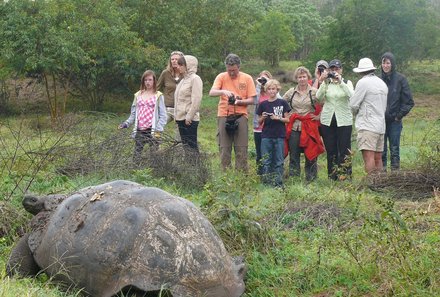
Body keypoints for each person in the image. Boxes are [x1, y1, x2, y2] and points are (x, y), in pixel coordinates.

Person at [209, 53, 257, 171]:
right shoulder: (221, 77)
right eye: (229, 70)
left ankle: (241, 175)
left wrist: (239, 101)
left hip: (241, 115)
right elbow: (211, 92)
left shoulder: (247, 78)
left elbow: (253, 99)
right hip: (224, 115)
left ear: (239, 67)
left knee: (241, 148)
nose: (231, 73)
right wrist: (223, 92)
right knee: (224, 148)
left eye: (234, 70)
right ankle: (225, 174)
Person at [284, 66, 324, 181]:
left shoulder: (314, 92)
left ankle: (311, 180)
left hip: (309, 127)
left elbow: (326, 103)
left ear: (308, 77)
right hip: (294, 127)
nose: (302, 79)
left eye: (304, 77)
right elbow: (281, 103)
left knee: (311, 154)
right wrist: (287, 116)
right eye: (299, 77)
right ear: (296, 78)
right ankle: (294, 179)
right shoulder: (291, 92)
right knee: (294, 155)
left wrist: (318, 116)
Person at [316, 59, 354, 180]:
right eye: (332, 69)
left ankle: (345, 175)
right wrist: (323, 81)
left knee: (344, 149)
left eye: (337, 69)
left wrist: (340, 81)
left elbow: (352, 95)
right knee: (331, 149)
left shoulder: (347, 82)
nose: (334, 71)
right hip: (328, 120)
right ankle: (332, 176)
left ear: (341, 70)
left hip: (344, 120)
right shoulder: (327, 83)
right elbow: (318, 97)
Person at [119, 70, 167, 163]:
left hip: (153, 129)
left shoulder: (158, 95)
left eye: (150, 80)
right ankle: (135, 172)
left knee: (154, 154)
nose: (148, 82)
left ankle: (154, 174)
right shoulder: (138, 95)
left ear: (154, 81)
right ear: (143, 81)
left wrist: (158, 129)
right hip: (140, 129)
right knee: (137, 153)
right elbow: (133, 114)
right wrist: (126, 124)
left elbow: (163, 115)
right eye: (146, 80)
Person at [350, 58, 388, 175]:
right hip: (380, 125)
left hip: (367, 125)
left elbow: (353, 104)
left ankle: (371, 182)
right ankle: (379, 182)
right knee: (378, 158)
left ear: (361, 71)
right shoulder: (382, 83)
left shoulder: (363, 82)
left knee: (369, 157)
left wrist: (355, 113)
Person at [380, 52, 414, 171]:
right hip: (381, 121)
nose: (385, 65)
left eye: (388, 63)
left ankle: (395, 176)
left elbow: (409, 102)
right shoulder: (378, 80)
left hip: (395, 121)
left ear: (392, 64)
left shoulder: (400, 79)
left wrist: (399, 116)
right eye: (383, 62)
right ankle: (382, 176)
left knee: (394, 149)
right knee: (381, 149)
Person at [256, 79, 291, 187]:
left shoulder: (282, 103)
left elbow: (287, 119)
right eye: (269, 89)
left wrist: (278, 118)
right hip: (266, 135)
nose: (271, 91)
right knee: (266, 160)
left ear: (277, 89)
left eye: (273, 89)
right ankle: (267, 183)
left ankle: (278, 183)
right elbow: (258, 121)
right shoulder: (263, 104)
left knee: (279, 160)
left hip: (279, 135)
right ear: (266, 90)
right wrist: (263, 117)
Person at [174, 55, 203, 153]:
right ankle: (189, 168)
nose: (178, 67)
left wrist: (189, 116)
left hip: (189, 120)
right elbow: (178, 100)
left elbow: (196, 99)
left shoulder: (195, 79)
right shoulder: (182, 80)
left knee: (192, 147)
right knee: (186, 147)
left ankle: (196, 167)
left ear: (188, 65)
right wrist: (176, 116)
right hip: (181, 118)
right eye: (178, 65)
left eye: (181, 64)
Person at [253, 70, 273, 175]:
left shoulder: (272, 91)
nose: (263, 81)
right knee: (259, 153)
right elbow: (254, 101)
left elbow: (279, 99)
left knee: (271, 152)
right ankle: (260, 174)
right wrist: (258, 85)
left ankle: (270, 173)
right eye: (262, 78)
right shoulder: (258, 92)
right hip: (259, 127)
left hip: (271, 127)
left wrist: (270, 84)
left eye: (265, 78)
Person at [157, 51, 184, 124]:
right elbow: (156, 88)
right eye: (172, 59)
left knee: (180, 133)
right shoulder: (165, 73)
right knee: (158, 126)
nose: (174, 61)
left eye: (176, 59)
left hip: (182, 109)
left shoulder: (185, 74)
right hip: (168, 108)